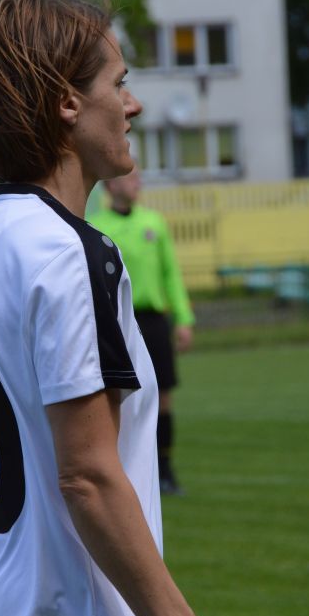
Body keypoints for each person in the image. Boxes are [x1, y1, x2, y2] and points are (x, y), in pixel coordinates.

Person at [0, 0, 236, 616]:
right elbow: (88, 476)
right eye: (119, 82)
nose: (133, 105)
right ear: (68, 103)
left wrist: (19, 586)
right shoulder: (70, 254)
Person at [89, 169, 195, 496]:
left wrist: (183, 318)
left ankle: (165, 470)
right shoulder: (96, 227)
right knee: (118, 398)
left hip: (153, 322)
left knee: (162, 395)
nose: (137, 182)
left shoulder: (154, 222)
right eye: (129, 177)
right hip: (116, 323)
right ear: (111, 184)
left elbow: (170, 273)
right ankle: (123, 472)